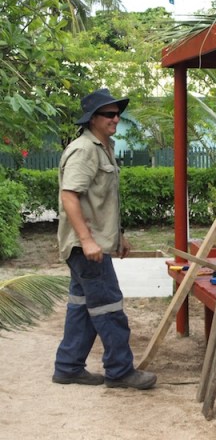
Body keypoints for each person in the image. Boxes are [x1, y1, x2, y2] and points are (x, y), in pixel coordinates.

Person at [52, 88, 157, 390]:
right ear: (92, 119)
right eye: (109, 114)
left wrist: (118, 235)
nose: (116, 119)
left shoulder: (102, 146)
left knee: (82, 305)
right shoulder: (84, 149)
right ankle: (120, 370)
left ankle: (68, 367)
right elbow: (70, 196)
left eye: (117, 113)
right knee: (109, 307)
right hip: (86, 247)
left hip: (93, 244)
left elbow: (101, 200)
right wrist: (87, 240)